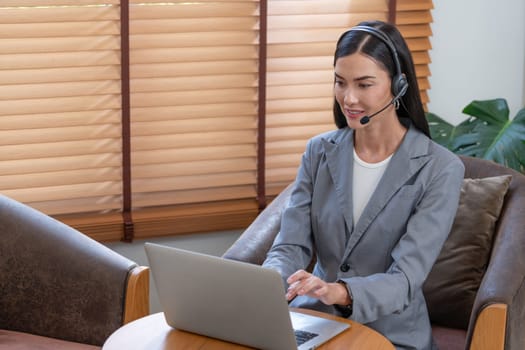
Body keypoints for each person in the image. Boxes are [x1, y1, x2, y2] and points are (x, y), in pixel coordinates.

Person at [262, 20, 465, 350]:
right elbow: (290, 247)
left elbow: (405, 279)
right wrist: (267, 285)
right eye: (340, 82)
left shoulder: (439, 169)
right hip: (316, 324)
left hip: (391, 336)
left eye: (364, 84)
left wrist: (339, 291)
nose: (349, 98)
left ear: (398, 85)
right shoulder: (319, 152)